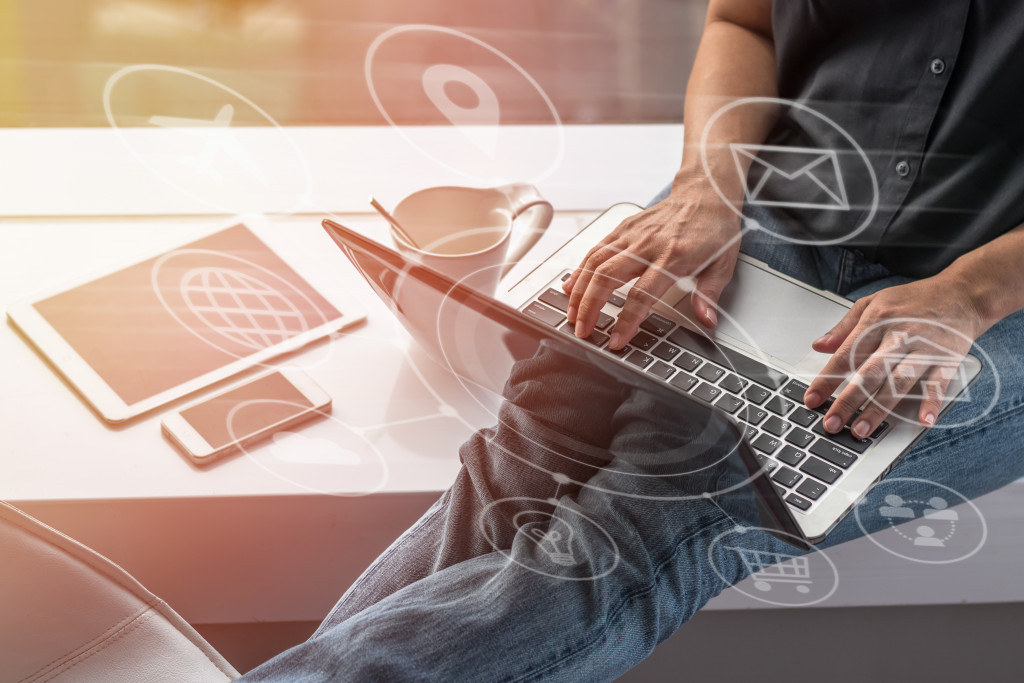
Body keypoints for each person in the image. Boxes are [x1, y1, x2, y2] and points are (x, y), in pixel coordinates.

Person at [244, 1, 1024, 679]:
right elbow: (743, 19)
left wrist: (968, 293)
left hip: (999, 298)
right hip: (771, 202)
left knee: (672, 503)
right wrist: (705, 186)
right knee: (542, 431)